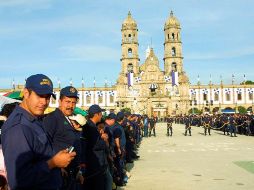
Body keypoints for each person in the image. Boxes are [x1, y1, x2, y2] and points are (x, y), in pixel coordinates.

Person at [1, 74, 76, 190]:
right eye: (39, 96)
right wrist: (53, 163)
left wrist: (56, 164)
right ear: (26, 93)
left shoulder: (34, 119)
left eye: (47, 97)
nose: (44, 102)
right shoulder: (18, 127)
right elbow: (18, 180)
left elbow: (39, 155)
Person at [43, 86, 84, 189]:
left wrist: (78, 171)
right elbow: (44, 145)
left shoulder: (71, 119)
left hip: (72, 174)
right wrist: (56, 166)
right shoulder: (52, 119)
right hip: (59, 174)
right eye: (67, 101)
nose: (71, 106)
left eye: (73, 103)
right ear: (60, 101)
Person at [81, 104, 108, 190]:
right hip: (94, 164)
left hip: (92, 163)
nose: (101, 116)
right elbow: (96, 145)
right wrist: (104, 140)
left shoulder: (89, 125)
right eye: (101, 114)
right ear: (97, 114)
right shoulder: (91, 127)